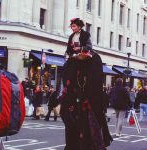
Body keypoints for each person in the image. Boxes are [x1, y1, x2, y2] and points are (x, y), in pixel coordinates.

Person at [60, 18, 112, 150]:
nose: (72, 28)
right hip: (73, 98)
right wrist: (71, 52)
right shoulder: (71, 38)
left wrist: (80, 48)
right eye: (71, 26)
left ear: (79, 26)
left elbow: (89, 47)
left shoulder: (87, 41)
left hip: (84, 58)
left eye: (74, 26)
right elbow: (68, 49)